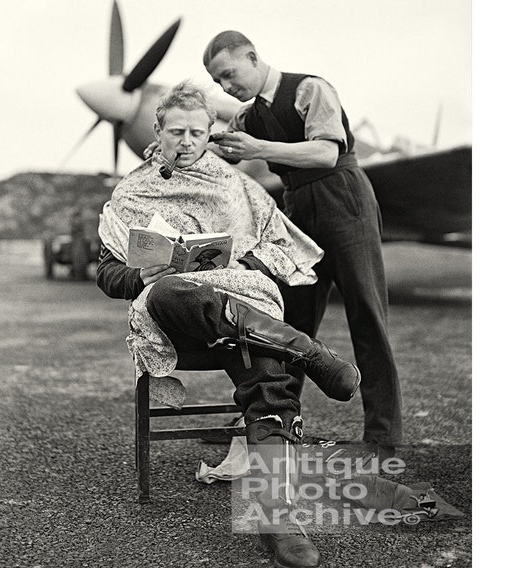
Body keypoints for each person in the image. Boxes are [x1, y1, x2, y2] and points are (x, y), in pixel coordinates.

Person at [96, 81, 361, 568]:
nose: (188, 140)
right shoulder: (132, 191)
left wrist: (243, 265)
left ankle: (277, 519)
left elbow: (282, 249)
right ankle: (306, 349)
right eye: (176, 131)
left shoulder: (235, 184)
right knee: (175, 289)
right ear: (158, 130)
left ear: (209, 132)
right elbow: (106, 273)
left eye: (198, 131)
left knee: (269, 377)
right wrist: (141, 274)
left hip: (240, 312)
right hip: (172, 318)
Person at [201, 31, 403, 458]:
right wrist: (176, 146)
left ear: (252, 58)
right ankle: (273, 423)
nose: (226, 87)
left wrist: (259, 148)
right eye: (218, 82)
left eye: (229, 74)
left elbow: (326, 153)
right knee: (289, 326)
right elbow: (221, 148)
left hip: (342, 199)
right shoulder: (249, 116)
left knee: (366, 315)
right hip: (295, 209)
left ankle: (384, 438)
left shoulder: (310, 88)